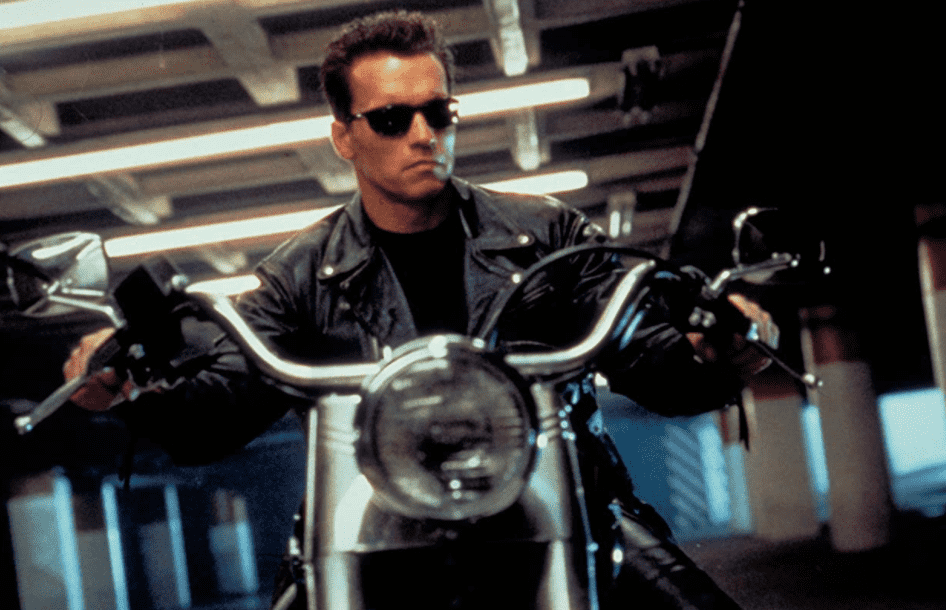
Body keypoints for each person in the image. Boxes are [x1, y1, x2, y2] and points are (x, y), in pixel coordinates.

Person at [66, 10, 771, 609]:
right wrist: (132, 391)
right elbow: (224, 401)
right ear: (344, 136)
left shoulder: (547, 236)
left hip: (563, 502)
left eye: (438, 112)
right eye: (391, 118)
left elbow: (643, 351)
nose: (423, 134)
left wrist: (712, 353)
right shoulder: (299, 276)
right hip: (374, 526)